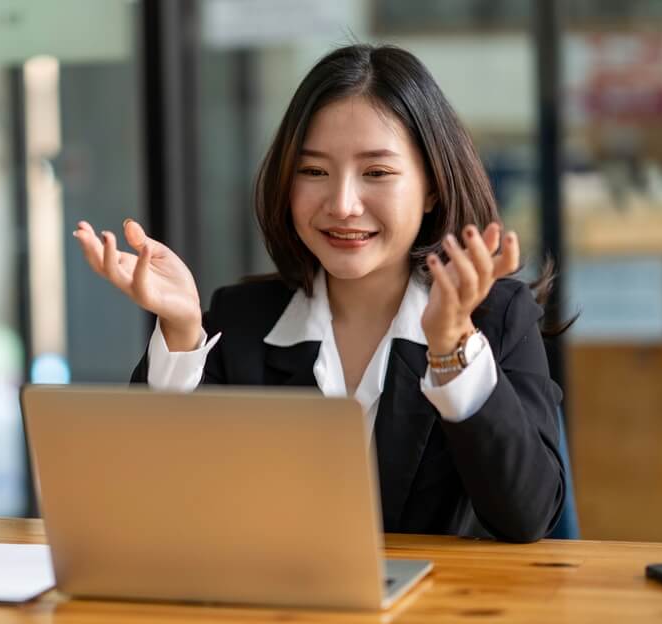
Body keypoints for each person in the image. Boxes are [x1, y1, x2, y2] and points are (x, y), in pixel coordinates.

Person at [73, 44, 564, 543]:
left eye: (376, 173)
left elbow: (526, 516)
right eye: (313, 172)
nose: (343, 204)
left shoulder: (497, 319)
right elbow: (143, 502)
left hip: (438, 614)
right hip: (270, 615)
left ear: (432, 186)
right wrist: (180, 332)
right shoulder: (239, 323)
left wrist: (451, 348)